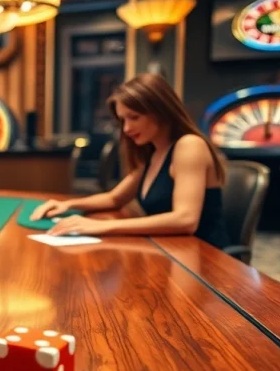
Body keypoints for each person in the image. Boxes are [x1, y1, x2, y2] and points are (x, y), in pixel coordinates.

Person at [30, 73, 229, 248]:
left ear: (162, 111)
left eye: (134, 117)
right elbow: (115, 198)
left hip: (205, 260)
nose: (126, 129)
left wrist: (102, 226)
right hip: (172, 250)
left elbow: (185, 219)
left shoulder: (189, 145)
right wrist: (68, 205)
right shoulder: (153, 151)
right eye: (122, 120)